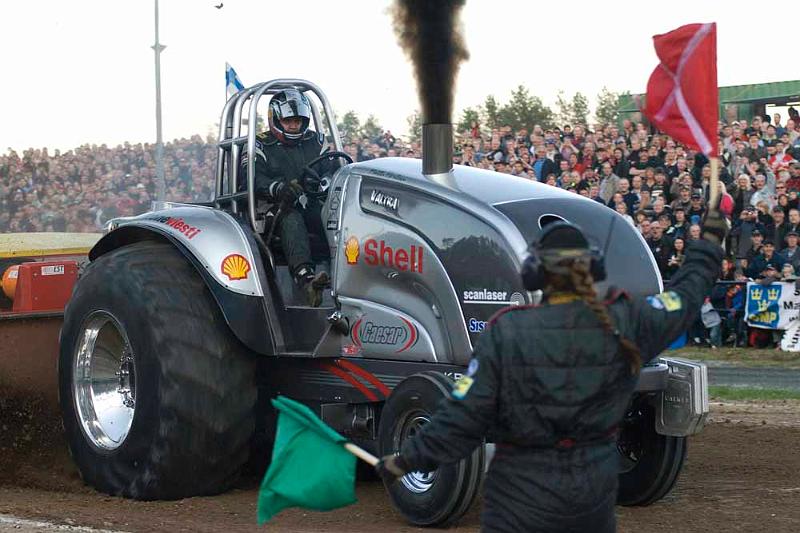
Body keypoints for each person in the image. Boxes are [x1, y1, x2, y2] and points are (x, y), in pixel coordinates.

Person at [375, 213, 727, 533]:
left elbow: (461, 419)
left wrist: (407, 460)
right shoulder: (627, 323)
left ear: (535, 271)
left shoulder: (505, 332)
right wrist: (709, 245)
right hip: (590, 503)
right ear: (593, 268)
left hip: (518, 502)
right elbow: (688, 293)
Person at [239, 88, 332, 306]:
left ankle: (351, 269)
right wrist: (278, 188)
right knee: (291, 217)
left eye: (298, 120)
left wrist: (322, 181)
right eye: (289, 120)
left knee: (333, 216)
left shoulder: (317, 141)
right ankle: (307, 281)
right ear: (276, 119)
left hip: (312, 202)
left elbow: (334, 168)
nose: (294, 125)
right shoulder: (258, 144)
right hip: (272, 211)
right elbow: (250, 179)